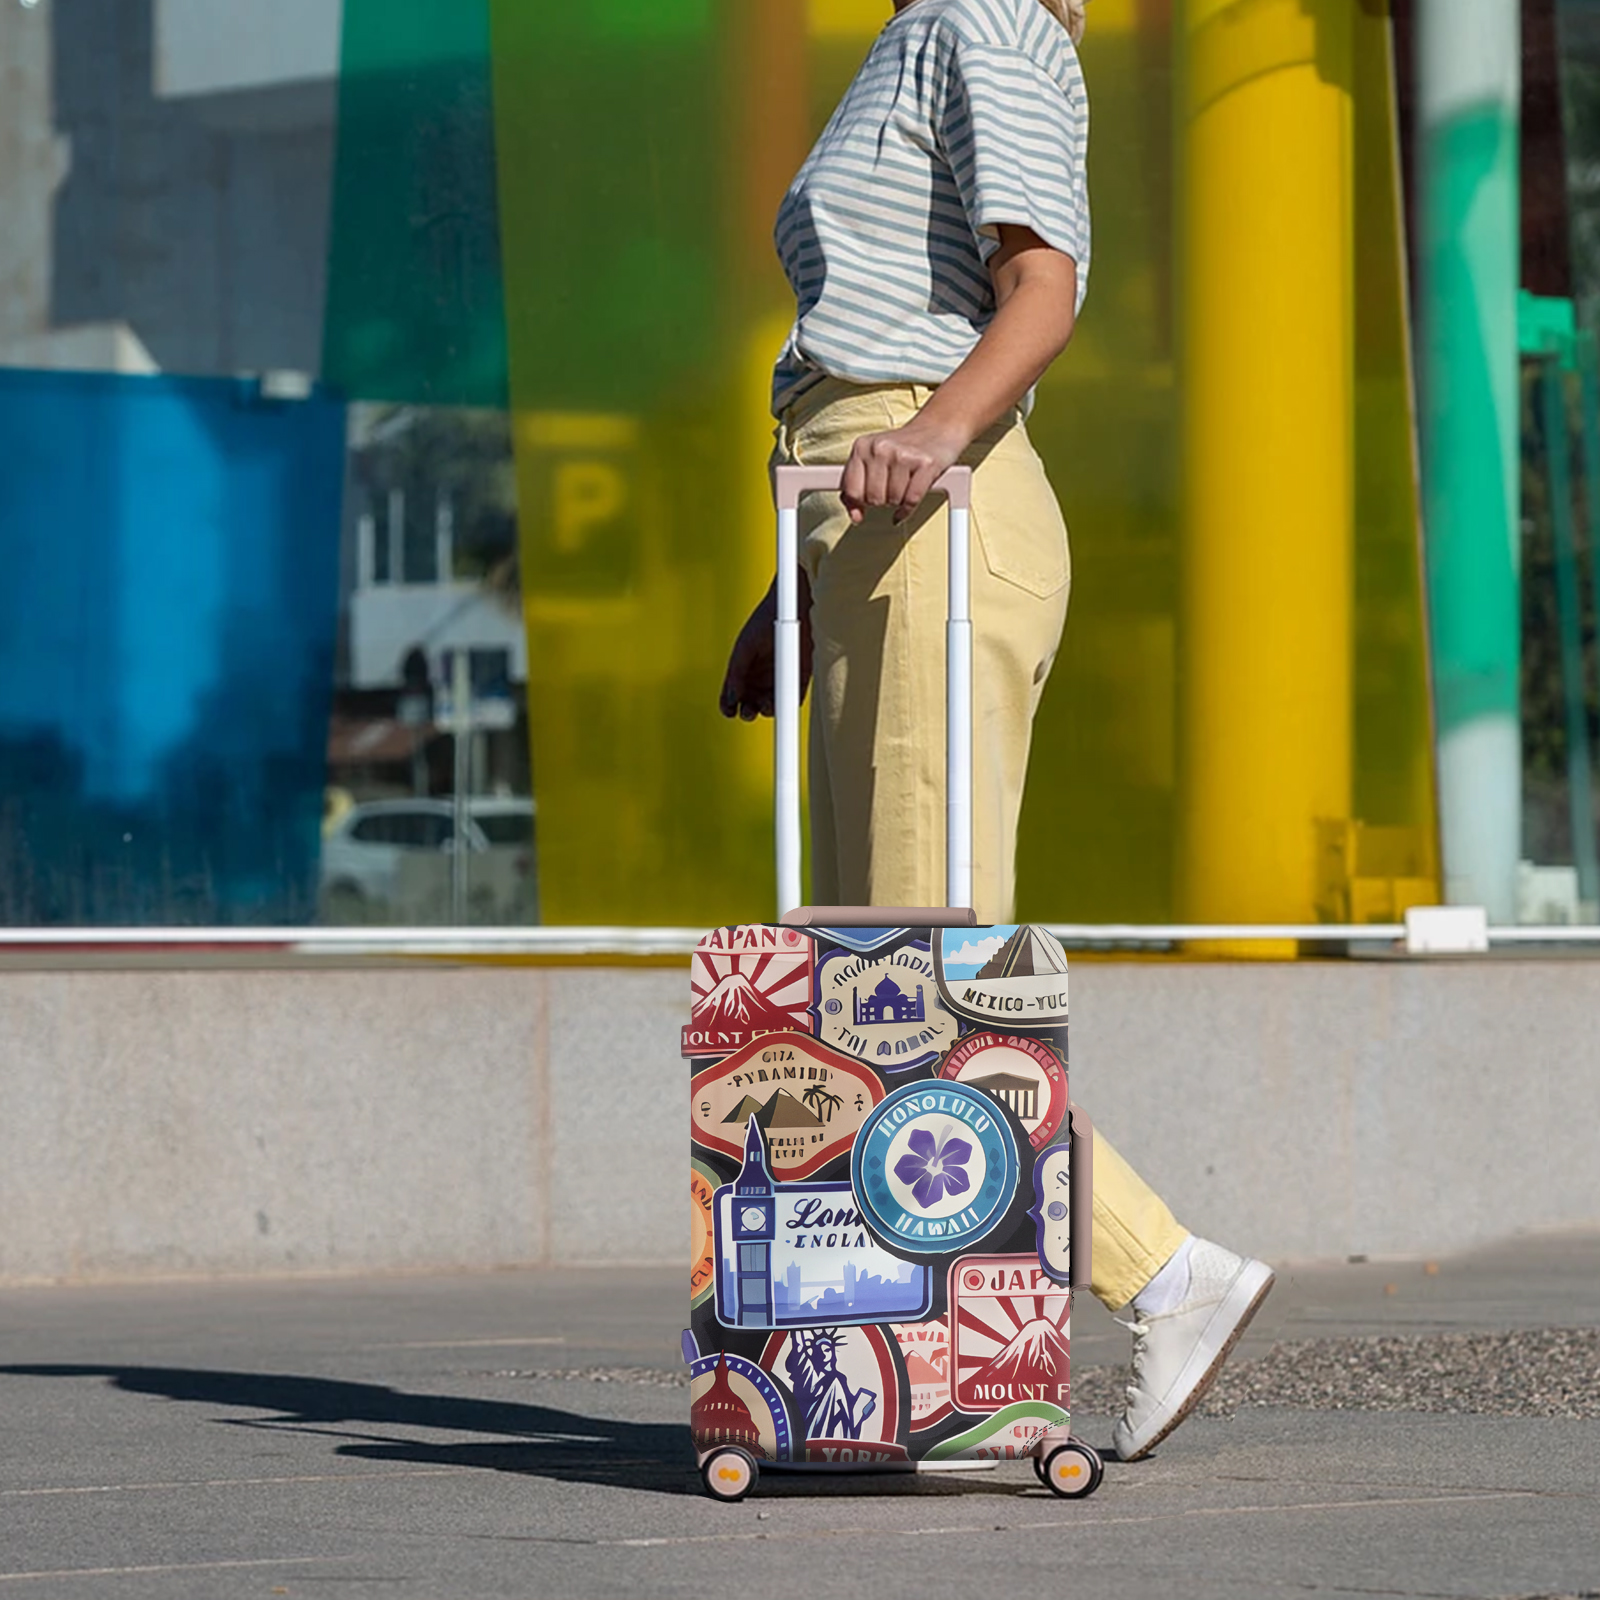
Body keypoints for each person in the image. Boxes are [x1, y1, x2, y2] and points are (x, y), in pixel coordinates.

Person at [719, 0, 1272, 1461]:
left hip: (934, 525)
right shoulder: (922, 29)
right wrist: (793, 589)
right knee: (874, 996)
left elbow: (1041, 289)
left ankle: (1168, 1275)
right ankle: (912, 1381)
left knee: (919, 996)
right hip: (868, 533)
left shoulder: (988, 20)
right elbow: (868, 344)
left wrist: (936, 434)